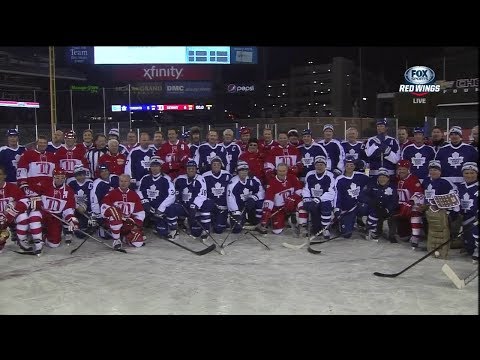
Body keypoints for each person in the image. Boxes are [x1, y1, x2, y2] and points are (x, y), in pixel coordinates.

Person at [27, 168, 79, 254]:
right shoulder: (45, 184)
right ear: (53, 177)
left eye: (62, 178)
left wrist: (72, 220)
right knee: (34, 215)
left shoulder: (69, 191)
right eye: (57, 177)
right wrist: (36, 200)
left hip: (55, 217)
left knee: (54, 244)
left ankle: (43, 235)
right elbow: (31, 192)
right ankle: (37, 243)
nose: (60, 180)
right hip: (43, 213)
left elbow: (68, 209)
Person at [420, 160, 459, 258]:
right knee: (430, 229)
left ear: (440, 171)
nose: (433, 172)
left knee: (441, 231)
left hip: (441, 211)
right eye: (431, 170)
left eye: (436, 170)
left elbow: (453, 197)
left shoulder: (445, 182)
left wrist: (453, 211)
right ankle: (432, 246)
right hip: (428, 210)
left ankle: (443, 248)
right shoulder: (426, 181)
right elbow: (422, 194)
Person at [137, 156, 178, 239]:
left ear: (160, 167)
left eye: (157, 166)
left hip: (160, 208)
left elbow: (172, 195)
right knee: (138, 211)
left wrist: (160, 209)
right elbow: (139, 191)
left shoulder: (166, 179)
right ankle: (138, 230)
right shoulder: (145, 178)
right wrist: (145, 203)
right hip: (148, 207)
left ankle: (173, 228)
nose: (154, 168)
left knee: (162, 232)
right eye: (152, 166)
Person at [101, 174, 145, 249]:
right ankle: (116, 240)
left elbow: (140, 212)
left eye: (125, 181)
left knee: (138, 243)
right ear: (118, 182)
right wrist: (113, 213)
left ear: (129, 182)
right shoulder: (112, 193)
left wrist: (136, 224)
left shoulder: (134, 195)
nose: (123, 183)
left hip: (127, 223)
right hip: (113, 222)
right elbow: (104, 208)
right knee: (114, 212)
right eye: (121, 181)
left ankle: (125, 238)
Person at [260, 163, 303, 235]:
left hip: (292, 206)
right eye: (280, 171)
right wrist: (266, 212)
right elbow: (269, 199)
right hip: (279, 209)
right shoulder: (272, 182)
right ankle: (285, 221)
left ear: (287, 171)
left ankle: (302, 226)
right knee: (277, 231)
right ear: (276, 171)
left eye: (284, 171)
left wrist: (292, 198)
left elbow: (300, 191)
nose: (282, 173)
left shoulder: (292, 178)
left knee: (301, 203)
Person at [333, 155, 370, 238]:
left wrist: (365, 197)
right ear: (344, 166)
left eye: (351, 165)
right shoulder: (339, 179)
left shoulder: (361, 176)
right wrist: (337, 209)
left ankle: (370, 227)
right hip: (347, 209)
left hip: (359, 206)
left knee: (372, 207)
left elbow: (371, 182)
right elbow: (337, 196)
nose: (349, 167)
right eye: (347, 165)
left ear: (354, 166)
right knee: (346, 234)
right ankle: (342, 222)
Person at [174, 160, 213, 238]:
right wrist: (178, 200)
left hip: (195, 208)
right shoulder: (179, 178)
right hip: (184, 206)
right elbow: (173, 191)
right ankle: (175, 228)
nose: (191, 170)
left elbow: (202, 195)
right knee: (172, 208)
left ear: (196, 169)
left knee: (196, 232)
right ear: (186, 169)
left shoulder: (200, 179)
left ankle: (206, 229)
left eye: (193, 168)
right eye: (189, 168)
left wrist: (194, 205)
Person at [358, 168, 398, 242]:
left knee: (393, 215)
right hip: (374, 208)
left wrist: (387, 209)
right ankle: (370, 230)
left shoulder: (392, 187)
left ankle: (392, 235)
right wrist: (371, 202)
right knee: (371, 211)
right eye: (380, 177)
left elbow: (394, 201)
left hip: (386, 210)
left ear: (388, 178)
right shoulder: (372, 185)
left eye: (384, 177)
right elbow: (362, 196)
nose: (382, 179)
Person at [301, 156, 335, 239]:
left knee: (325, 205)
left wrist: (319, 199)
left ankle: (325, 228)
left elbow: (331, 192)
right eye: (317, 165)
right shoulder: (310, 174)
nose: (319, 167)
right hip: (313, 201)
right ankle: (315, 227)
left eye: (321, 165)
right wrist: (306, 199)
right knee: (316, 229)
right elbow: (306, 189)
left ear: (325, 165)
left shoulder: (330, 175)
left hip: (325, 200)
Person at [227, 161, 266, 234]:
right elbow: (230, 199)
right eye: (241, 170)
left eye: (246, 170)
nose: (244, 172)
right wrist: (236, 213)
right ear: (238, 171)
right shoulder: (233, 183)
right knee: (236, 229)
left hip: (251, 205)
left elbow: (262, 192)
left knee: (260, 203)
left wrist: (253, 197)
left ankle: (258, 223)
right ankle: (242, 220)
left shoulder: (253, 179)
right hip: (239, 207)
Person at [394, 159, 425, 249]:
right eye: (399, 169)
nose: (401, 171)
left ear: (408, 169)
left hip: (411, 205)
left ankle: (416, 236)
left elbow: (419, 194)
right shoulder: (396, 179)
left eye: (404, 169)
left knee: (415, 211)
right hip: (400, 206)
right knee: (403, 236)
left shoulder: (413, 179)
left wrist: (410, 202)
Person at [0, 165, 31, 253]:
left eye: (0, 174)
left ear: (5, 175)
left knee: (23, 217)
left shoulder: (12, 187)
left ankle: (21, 239)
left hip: (11, 216)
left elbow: (25, 201)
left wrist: (11, 212)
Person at [202, 157, 232, 234]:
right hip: (212, 204)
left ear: (221, 165)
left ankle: (222, 220)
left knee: (218, 230)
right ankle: (209, 222)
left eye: (218, 164)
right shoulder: (205, 176)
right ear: (211, 165)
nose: (216, 166)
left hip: (223, 206)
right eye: (214, 164)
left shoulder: (227, 174)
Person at [90, 163, 119, 239]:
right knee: (106, 236)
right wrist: (97, 215)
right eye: (102, 171)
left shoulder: (115, 178)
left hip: (118, 207)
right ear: (99, 173)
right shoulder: (97, 184)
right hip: (104, 210)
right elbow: (94, 201)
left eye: (106, 170)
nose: (104, 173)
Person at [457, 162, 478, 262]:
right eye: (466, 173)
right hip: (462, 217)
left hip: (475, 218)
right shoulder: (459, 187)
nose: (469, 175)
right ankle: (466, 245)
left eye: (472, 173)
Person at [66, 165, 93, 238]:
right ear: (75, 175)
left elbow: (92, 198)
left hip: (86, 208)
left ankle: (85, 226)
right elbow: (68, 198)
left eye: (83, 174)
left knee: (85, 226)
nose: (81, 177)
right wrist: (77, 206)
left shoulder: (90, 183)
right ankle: (69, 229)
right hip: (75, 207)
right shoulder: (71, 183)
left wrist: (89, 209)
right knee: (70, 215)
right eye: (78, 175)